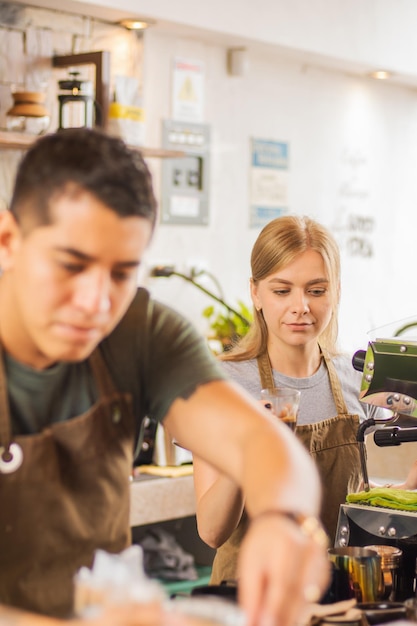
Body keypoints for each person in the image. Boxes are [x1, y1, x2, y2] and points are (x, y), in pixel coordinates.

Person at [0, 129, 330, 626]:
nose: (96, 302)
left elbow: (260, 444)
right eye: (72, 264)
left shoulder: (142, 332)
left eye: (120, 273)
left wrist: (285, 522)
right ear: (8, 241)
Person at [193, 214, 403, 587]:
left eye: (316, 290)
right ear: (256, 293)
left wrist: (409, 487)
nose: (300, 306)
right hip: (251, 600)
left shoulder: (357, 377)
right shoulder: (221, 386)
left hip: (341, 596)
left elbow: (362, 510)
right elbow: (211, 531)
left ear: (336, 291)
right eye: (281, 290)